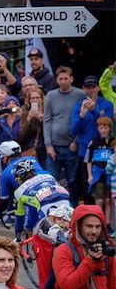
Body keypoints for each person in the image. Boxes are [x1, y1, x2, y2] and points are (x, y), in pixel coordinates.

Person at [44, 66, 85, 196]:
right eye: (60, 79)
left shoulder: (80, 94)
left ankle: (72, 209)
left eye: (66, 78)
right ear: (56, 80)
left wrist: (76, 141)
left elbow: (83, 119)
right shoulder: (51, 95)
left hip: (71, 146)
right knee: (51, 181)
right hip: (54, 147)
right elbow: (47, 120)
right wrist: (48, 144)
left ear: (71, 79)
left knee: (72, 182)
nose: (63, 81)